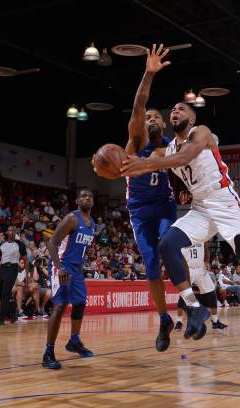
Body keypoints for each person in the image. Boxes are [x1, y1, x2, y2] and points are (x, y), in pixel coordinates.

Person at [121, 100, 240, 342]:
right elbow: (148, 159)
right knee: (167, 244)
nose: (175, 111)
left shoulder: (200, 131)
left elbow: (186, 158)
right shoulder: (168, 148)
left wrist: (147, 163)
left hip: (224, 203)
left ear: (191, 119)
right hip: (201, 208)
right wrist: (114, 167)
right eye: (172, 109)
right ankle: (194, 308)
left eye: (181, 109)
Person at [101, 44, 177, 352]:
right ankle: (163, 320)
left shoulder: (172, 147)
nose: (154, 117)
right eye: (150, 116)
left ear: (165, 124)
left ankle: (191, 303)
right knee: (149, 266)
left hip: (165, 205)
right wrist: (148, 73)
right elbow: (140, 105)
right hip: (140, 211)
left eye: (159, 116)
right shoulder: (137, 137)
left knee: (170, 247)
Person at [42, 189, 96, 369]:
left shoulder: (92, 223)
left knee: (80, 302)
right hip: (62, 266)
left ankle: (74, 341)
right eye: (83, 196)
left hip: (77, 269)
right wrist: (60, 267)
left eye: (90, 196)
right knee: (60, 305)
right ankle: (48, 353)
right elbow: (52, 243)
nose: (87, 198)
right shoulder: (72, 218)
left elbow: (79, 246)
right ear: (77, 200)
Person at [175, 242, 227, 332]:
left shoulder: (202, 234)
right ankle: (179, 321)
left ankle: (215, 322)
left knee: (211, 294)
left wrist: (207, 261)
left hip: (200, 268)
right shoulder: (183, 234)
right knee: (184, 295)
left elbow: (206, 249)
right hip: (188, 268)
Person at [0, 226, 27, 326]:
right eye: (9, 230)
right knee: (0, 294)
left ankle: (0, 319)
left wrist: (27, 273)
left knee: (5, 294)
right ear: (7, 232)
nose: (11, 232)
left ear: (15, 232)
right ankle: (13, 313)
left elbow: (25, 259)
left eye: (13, 230)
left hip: (13, 268)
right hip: (2, 268)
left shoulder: (19, 244)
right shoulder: (2, 244)